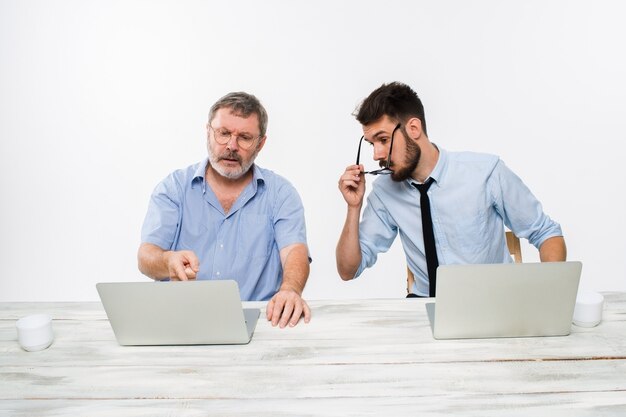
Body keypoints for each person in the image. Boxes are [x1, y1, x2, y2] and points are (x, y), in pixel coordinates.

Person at [337, 82, 566, 297]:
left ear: (413, 128)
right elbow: (348, 270)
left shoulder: (485, 173)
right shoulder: (385, 192)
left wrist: (549, 299)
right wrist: (353, 208)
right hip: (426, 304)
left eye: (383, 140)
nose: (376, 154)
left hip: (492, 300)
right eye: (371, 144)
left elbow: (546, 233)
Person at [138, 92, 311, 327]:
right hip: (180, 321)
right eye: (224, 133)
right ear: (208, 132)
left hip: (259, 324)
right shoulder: (174, 188)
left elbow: (294, 252)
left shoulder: (281, 193)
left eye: (245, 138)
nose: (231, 146)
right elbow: (146, 256)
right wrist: (168, 260)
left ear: (260, 144)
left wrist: (290, 289)